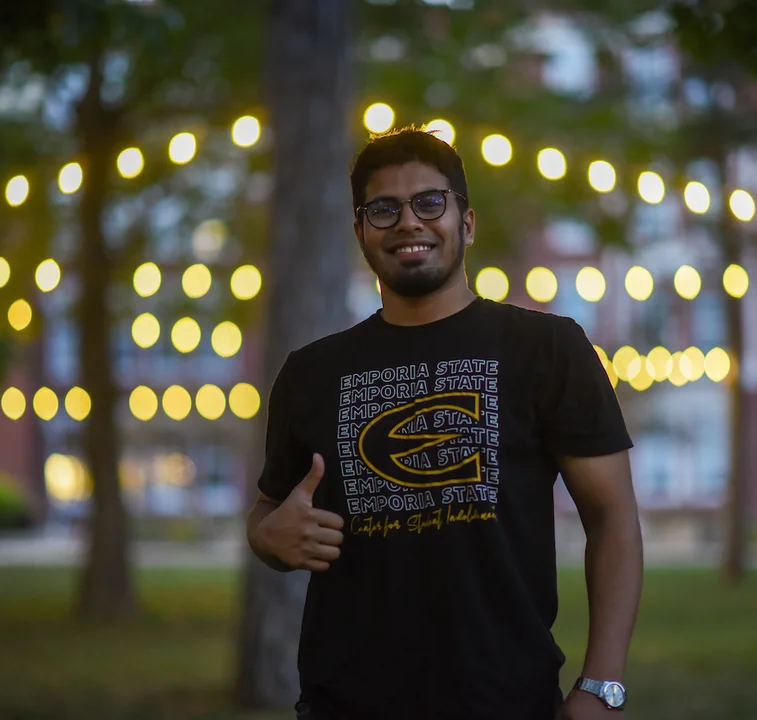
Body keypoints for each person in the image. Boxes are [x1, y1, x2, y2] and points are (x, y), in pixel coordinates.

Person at [246, 127, 644, 720]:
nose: (408, 222)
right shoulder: (311, 374)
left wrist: (602, 686)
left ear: (467, 222)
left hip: (504, 701)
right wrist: (267, 538)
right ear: (360, 232)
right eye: (384, 209)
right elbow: (267, 510)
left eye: (430, 202)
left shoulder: (547, 348)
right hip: (345, 704)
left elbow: (613, 518)